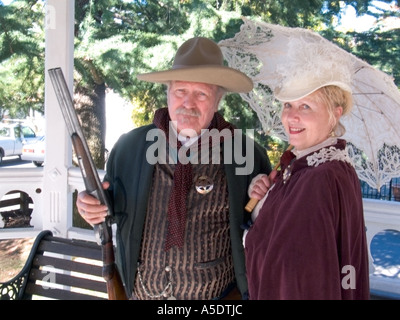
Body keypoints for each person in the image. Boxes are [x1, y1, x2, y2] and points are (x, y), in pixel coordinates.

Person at [76, 37, 271, 300]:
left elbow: (260, 226)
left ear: (218, 100)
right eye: (180, 91)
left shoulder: (246, 153)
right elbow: (110, 208)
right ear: (168, 93)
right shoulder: (129, 147)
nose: (188, 103)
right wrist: (90, 206)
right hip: (141, 294)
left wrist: (266, 201)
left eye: (201, 94)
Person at [244, 72, 370, 299]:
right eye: (288, 105)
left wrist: (252, 234)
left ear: (335, 114)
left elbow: (294, 273)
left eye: (305, 107)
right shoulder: (321, 165)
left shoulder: (319, 178)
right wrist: (265, 200)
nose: (291, 117)